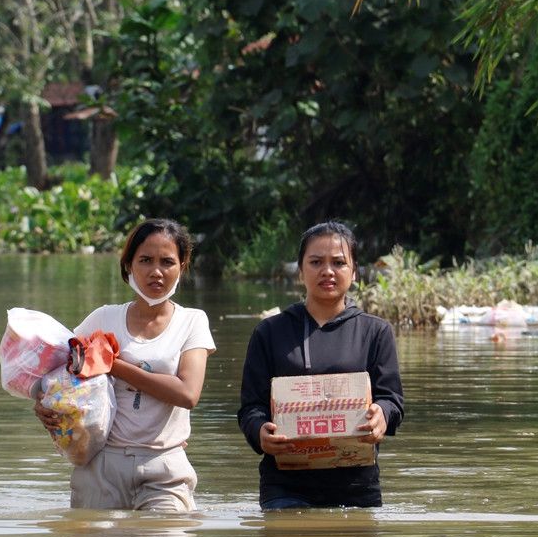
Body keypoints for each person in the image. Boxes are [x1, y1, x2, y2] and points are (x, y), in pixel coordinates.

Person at [35, 218, 216, 512]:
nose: (156, 271)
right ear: (129, 265)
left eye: (167, 262)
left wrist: (114, 366)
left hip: (164, 467)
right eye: (145, 260)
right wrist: (44, 404)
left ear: (182, 267)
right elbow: (56, 376)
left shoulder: (192, 321)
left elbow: (187, 393)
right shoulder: (103, 318)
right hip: (101, 466)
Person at [238, 221, 404, 509]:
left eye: (338, 263)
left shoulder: (375, 332)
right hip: (285, 486)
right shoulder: (270, 332)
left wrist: (382, 416)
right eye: (316, 262)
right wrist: (260, 431)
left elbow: (392, 400)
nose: (327, 271)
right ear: (300, 271)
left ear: (354, 272)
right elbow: (251, 407)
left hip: (357, 485)